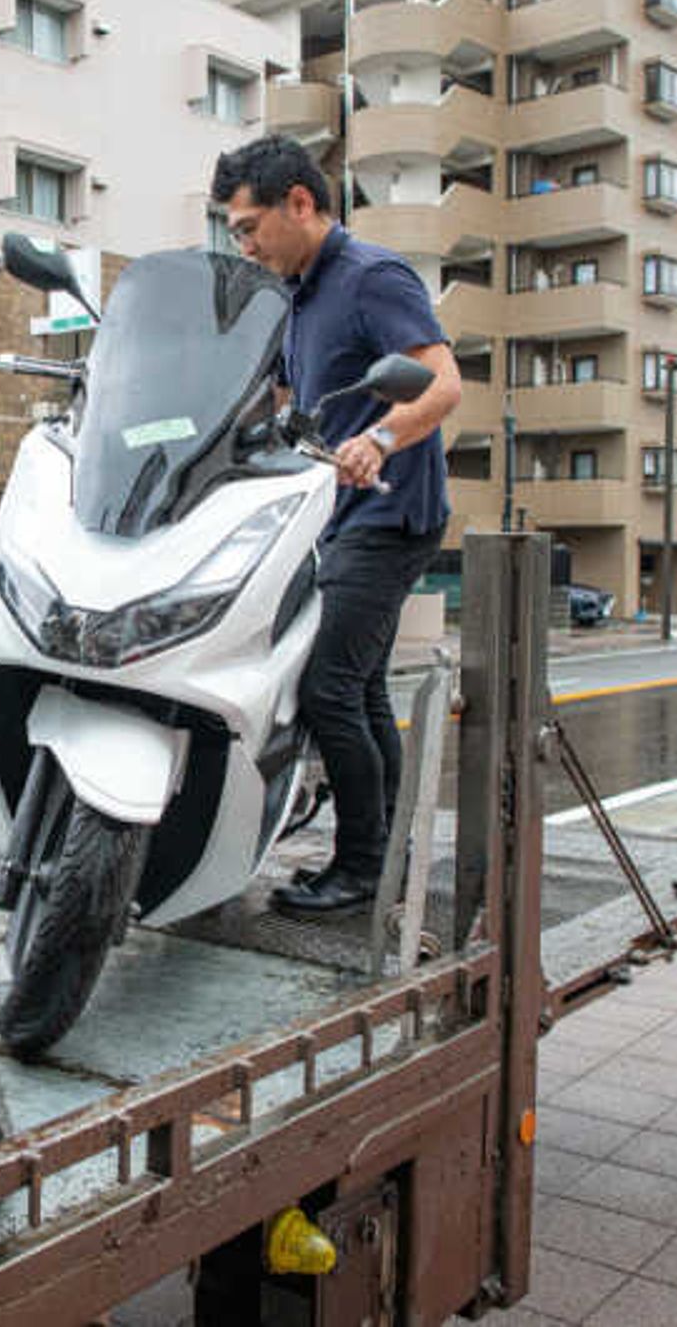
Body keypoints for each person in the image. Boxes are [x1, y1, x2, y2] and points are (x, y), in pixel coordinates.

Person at [210, 136, 463, 914]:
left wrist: (380, 437)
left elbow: (445, 382)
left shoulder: (370, 277)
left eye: (249, 226)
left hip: (387, 511)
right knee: (361, 689)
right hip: (334, 515)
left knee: (327, 687)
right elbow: (287, 405)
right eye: (232, 232)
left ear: (300, 203)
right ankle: (387, 854)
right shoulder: (297, 297)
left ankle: (358, 867)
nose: (242, 243)